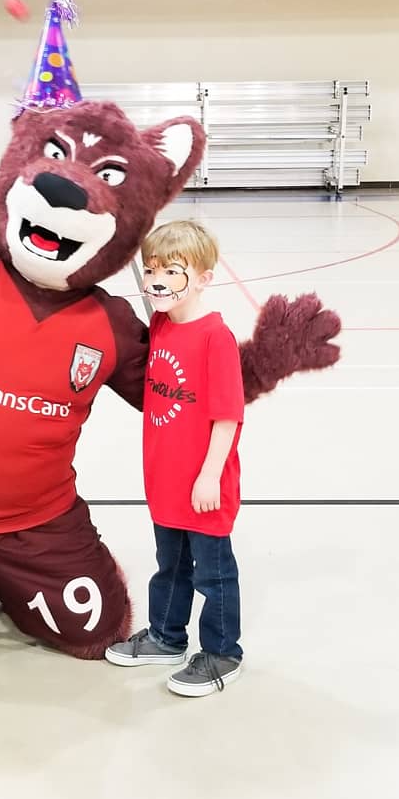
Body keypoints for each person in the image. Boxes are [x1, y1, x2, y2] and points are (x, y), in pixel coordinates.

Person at [106, 219, 245, 697]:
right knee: (170, 565)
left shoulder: (215, 339)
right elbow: (145, 282)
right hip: (165, 481)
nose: (158, 280)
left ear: (204, 278)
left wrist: (209, 477)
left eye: (173, 271)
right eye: (152, 271)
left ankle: (223, 653)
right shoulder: (163, 321)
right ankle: (167, 637)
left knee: (214, 572)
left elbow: (227, 418)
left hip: (203, 485)